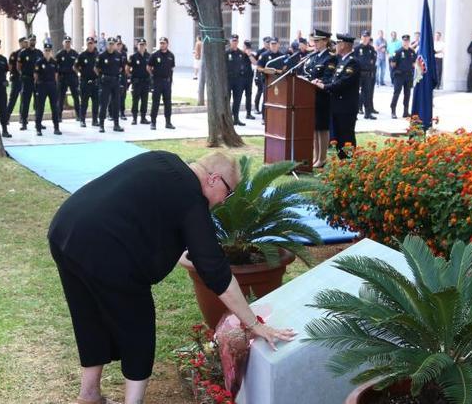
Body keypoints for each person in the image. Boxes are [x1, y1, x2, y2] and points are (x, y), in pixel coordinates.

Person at [48, 150, 295, 404]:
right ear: (213, 179)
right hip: (103, 247)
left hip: (65, 229)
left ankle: (89, 396)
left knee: (88, 315)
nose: (225, 201)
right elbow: (217, 273)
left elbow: (142, 214)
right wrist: (254, 324)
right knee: (138, 325)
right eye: (228, 192)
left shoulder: (163, 159)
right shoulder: (191, 198)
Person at [313, 34, 361, 159]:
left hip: (346, 106)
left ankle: (348, 161)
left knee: (346, 136)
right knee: (339, 136)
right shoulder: (342, 60)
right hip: (337, 105)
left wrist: (325, 87)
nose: (336, 46)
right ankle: (343, 162)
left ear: (344, 45)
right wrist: (322, 82)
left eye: (338, 43)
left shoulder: (353, 62)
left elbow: (343, 83)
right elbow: (334, 80)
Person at [303, 29, 337, 168]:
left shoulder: (330, 58)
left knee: (322, 128)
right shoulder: (315, 57)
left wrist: (318, 81)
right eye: (314, 41)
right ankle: (316, 157)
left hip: (323, 96)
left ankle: (322, 158)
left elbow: (328, 77)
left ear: (325, 41)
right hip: (312, 95)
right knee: (315, 128)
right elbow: (309, 74)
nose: (315, 43)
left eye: (317, 41)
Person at [95, 38, 126, 133]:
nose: (111, 46)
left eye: (113, 44)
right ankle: (101, 125)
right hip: (105, 82)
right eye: (109, 44)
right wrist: (102, 77)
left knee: (116, 103)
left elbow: (121, 68)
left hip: (115, 81)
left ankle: (116, 124)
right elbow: (96, 68)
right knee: (104, 104)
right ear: (107, 45)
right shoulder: (102, 55)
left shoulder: (118, 55)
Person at [148, 37, 177, 130]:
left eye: (163, 43)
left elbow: (172, 68)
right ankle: (153, 122)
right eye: (160, 43)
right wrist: (153, 75)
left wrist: (170, 80)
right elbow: (148, 67)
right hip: (157, 82)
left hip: (167, 82)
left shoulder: (171, 55)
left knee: (168, 103)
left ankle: (168, 122)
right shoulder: (155, 55)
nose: (162, 44)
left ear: (167, 44)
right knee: (155, 102)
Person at [34, 43, 62, 136]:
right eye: (46, 50)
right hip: (42, 86)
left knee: (54, 107)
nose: (47, 52)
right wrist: (38, 85)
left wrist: (55, 85)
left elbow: (56, 76)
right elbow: (36, 75)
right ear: (43, 51)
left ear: (51, 52)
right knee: (40, 108)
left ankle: (56, 128)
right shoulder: (39, 62)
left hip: (52, 86)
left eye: (49, 50)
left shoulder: (54, 63)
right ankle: (38, 128)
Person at [17, 35, 43, 131]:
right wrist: (23, 75)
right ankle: (24, 122)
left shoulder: (39, 53)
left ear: (36, 41)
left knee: (38, 102)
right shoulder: (23, 53)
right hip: (27, 80)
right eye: (31, 40)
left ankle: (38, 122)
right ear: (28, 41)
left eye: (34, 40)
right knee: (25, 101)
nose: (32, 41)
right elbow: (18, 67)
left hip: (37, 81)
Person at [390, 34, 417, 119]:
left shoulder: (412, 52)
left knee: (407, 94)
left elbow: (414, 64)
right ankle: (393, 111)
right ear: (402, 42)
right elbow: (393, 64)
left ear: (409, 42)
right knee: (396, 93)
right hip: (399, 76)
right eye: (404, 41)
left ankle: (405, 112)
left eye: (407, 41)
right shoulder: (397, 52)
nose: (406, 42)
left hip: (408, 76)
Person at [226, 34, 250, 126]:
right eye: (233, 41)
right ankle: (228, 120)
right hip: (228, 80)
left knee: (237, 100)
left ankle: (236, 119)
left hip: (239, 80)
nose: (234, 42)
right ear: (230, 42)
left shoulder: (241, 53)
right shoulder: (226, 53)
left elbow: (246, 65)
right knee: (227, 100)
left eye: (236, 41)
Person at [76, 37, 100, 128]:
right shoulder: (82, 55)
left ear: (94, 44)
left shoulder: (97, 55)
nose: (90, 45)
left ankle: (95, 120)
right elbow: (75, 66)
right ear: (86, 44)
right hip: (85, 82)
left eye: (91, 43)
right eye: (89, 43)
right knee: (84, 102)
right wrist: (81, 73)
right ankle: (82, 120)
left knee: (95, 102)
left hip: (95, 82)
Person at [56, 36, 80, 123]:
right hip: (62, 78)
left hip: (72, 77)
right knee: (60, 97)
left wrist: (77, 71)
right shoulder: (59, 54)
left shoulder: (75, 54)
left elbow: (79, 65)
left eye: (69, 42)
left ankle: (79, 115)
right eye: (66, 42)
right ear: (63, 43)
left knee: (76, 97)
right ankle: (59, 116)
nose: (67, 43)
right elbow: (56, 66)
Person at [354, 30, 377, 119]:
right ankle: (355, 113)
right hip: (359, 74)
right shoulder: (357, 48)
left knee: (367, 93)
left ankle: (368, 113)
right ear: (361, 37)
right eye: (363, 37)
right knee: (356, 93)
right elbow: (355, 61)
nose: (365, 38)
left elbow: (373, 61)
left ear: (369, 38)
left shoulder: (371, 49)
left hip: (368, 74)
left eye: (367, 37)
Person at [129, 38, 151, 125]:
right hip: (136, 82)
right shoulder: (133, 57)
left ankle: (143, 118)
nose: (142, 46)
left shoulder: (149, 56)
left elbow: (151, 67)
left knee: (144, 100)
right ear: (137, 46)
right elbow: (127, 68)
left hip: (145, 82)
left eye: (143, 44)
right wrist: (131, 76)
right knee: (135, 100)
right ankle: (134, 118)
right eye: (140, 45)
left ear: (145, 45)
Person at [6, 37, 28, 122]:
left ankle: (22, 118)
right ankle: (6, 117)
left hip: (25, 80)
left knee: (24, 99)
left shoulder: (28, 53)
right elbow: (10, 67)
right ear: (20, 43)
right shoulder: (14, 54)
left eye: (26, 42)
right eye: (24, 42)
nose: (25, 44)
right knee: (13, 99)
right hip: (16, 78)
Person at [253, 37, 271, 114]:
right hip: (260, 74)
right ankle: (256, 107)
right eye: (266, 42)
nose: (267, 44)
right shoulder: (260, 51)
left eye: (269, 42)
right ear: (264, 43)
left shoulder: (271, 52)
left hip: (268, 75)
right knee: (260, 91)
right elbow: (256, 62)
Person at [241, 40, 257, 121]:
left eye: (248, 47)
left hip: (248, 78)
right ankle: (234, 112)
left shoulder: (251, 54)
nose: (246, 49)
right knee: (238, 95)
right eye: (245, 47)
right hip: (240, 78)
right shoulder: (239, 53)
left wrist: (249, 55)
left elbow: (255, 63)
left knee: (248, 96)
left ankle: (248, 113)